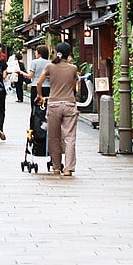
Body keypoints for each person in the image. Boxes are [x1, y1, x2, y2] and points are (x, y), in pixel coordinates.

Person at [36, 41, 79, 176]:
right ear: (69, 54)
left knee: (54, 137)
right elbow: (74, 86)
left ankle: (56, 166)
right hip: (69, 104)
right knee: (70, 137)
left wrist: (40, 95)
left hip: (54, 104)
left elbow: (39, 82)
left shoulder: (50, 66)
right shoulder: (73, 68)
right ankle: (68, 168)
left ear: (56, 52)